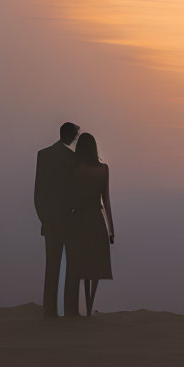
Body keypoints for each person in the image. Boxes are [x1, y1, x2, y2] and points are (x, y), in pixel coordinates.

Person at [63, 133, 114, 318]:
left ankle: (85, 307)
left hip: (78, 220)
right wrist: (111, 228)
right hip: (96, 220)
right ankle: (90, 307)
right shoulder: (103, 169)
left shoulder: (76, 169)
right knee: (95, 266)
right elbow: (106, 200)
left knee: (81, 264)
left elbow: (69, 197)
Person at [33, 122, 79, 319]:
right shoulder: (73, 158)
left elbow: (38, 192)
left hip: (51, 219)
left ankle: (49, 309)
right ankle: (70, 309)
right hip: (68, 219)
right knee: (71, 266)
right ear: (70, 136)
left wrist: (44, 218)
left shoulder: (43, 155)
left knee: (52, 266)